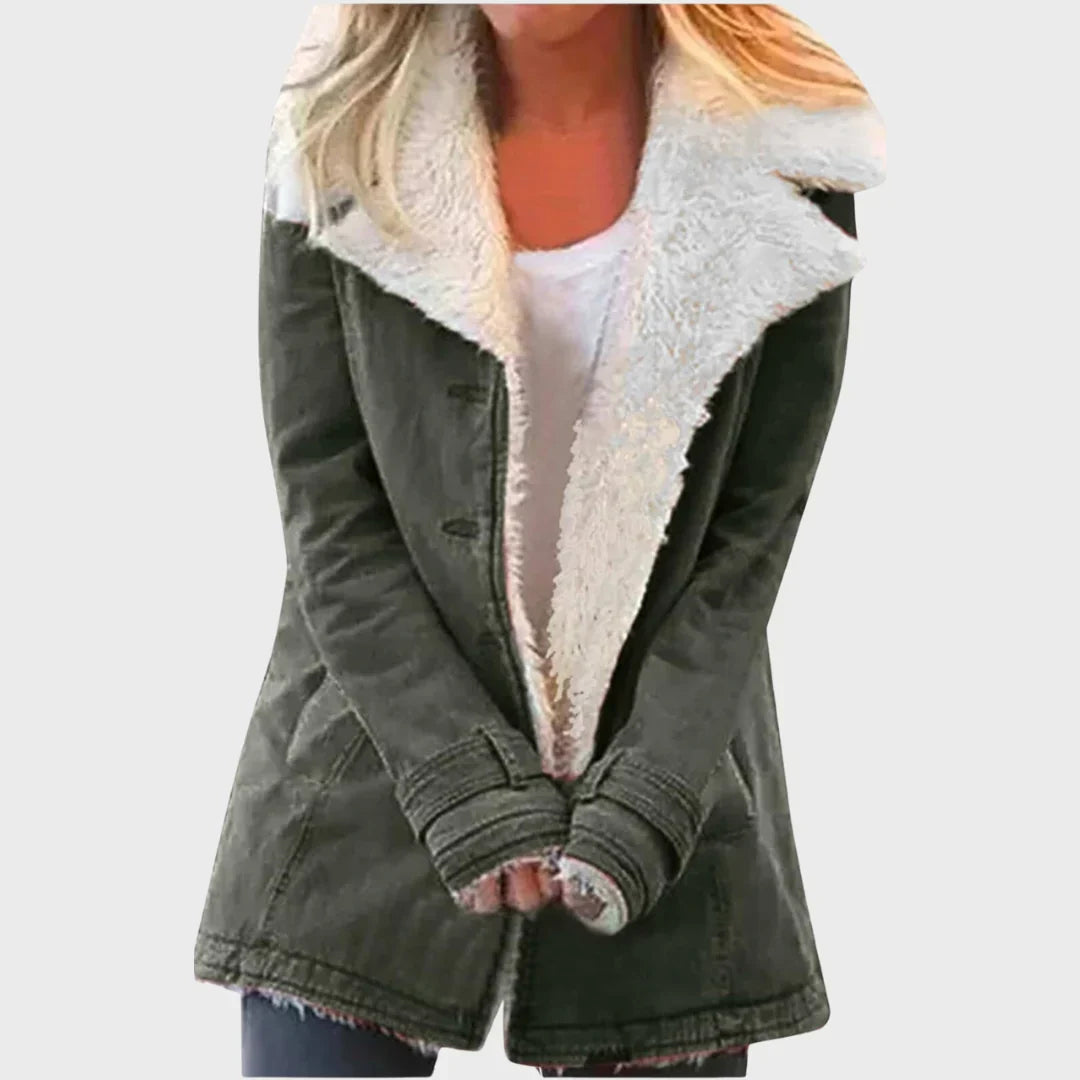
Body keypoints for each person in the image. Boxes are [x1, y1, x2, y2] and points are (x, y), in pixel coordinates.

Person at [193, 4, 886, 1076]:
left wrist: (651, 794)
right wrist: (457, 774)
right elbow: (327, 507)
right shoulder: (339, 117)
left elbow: (750, 540)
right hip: (366, 768)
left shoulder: (789, 141)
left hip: (670, 785)